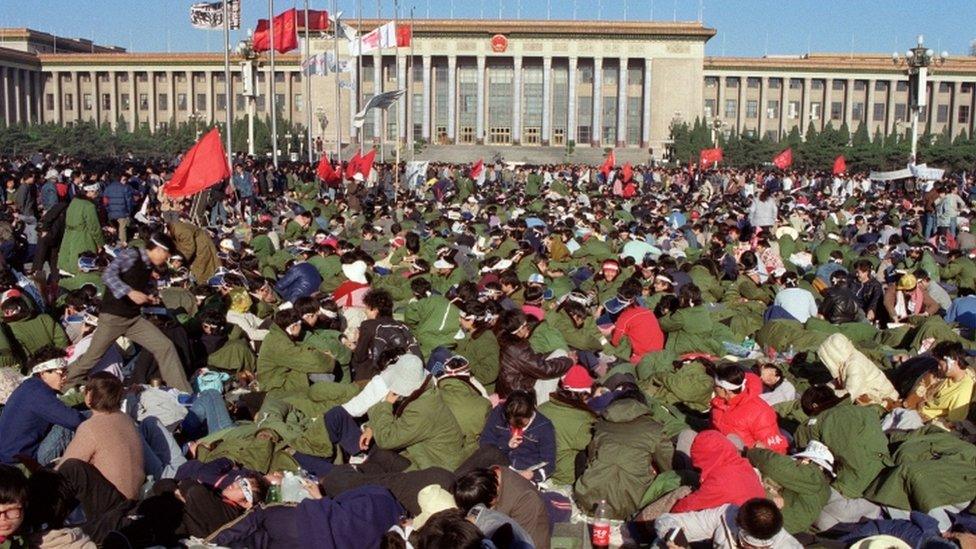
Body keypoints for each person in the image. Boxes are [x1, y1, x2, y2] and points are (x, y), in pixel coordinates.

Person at [65, 232, 192, 392]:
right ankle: (64, 383)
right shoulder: (132, 255)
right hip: (113, 318)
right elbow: (108, 274)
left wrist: (149, 295)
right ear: (159, 250)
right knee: (92, 357)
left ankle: (182, 392)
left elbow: (138, 283)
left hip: (133, 319)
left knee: (165, 346)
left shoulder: (148, 265)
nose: (166, 260)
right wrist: (130, 292)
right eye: (166, 255)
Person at [0, 347, 83, 466]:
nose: (65, 377)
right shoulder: (38, 393)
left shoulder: (30, 387)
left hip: (13, 457)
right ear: (43, 373)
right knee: (71, 424)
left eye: (66, 371)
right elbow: (75, 421)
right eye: (61, 372)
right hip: (22, 462)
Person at [655, 497, 803, 548]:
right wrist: (673, 535)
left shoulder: (787, 545)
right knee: (661, 543)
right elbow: (666, 520)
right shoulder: (727, 515)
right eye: (749, 545)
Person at [479, 390, 557, 483]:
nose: (516, 427)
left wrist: (533, 475)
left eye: (521, 424)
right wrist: (506, 446)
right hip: (499, 467)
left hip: (526, 473)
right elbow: (485, 443)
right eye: (511, 423)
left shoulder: (544, 427)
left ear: (531, 412)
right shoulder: (499, 413)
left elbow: (549, 463)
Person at [709, 363, 787, 454]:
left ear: (725, 390)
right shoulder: (719, 403)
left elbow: (778, 450)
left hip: (744, 460)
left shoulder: (759, 411)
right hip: (717, 451)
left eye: (715, 385)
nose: (713, 387)